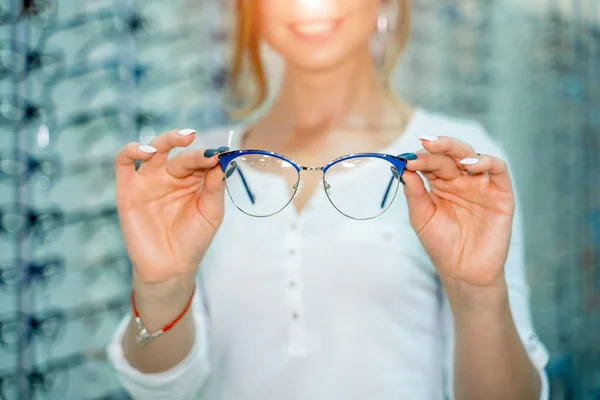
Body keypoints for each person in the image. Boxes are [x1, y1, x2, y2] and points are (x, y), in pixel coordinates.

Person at [107, 0, 549, 399]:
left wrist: (476, 293)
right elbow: (163, 391)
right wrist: (161, 285)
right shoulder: (196, 171)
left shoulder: (455, 160)